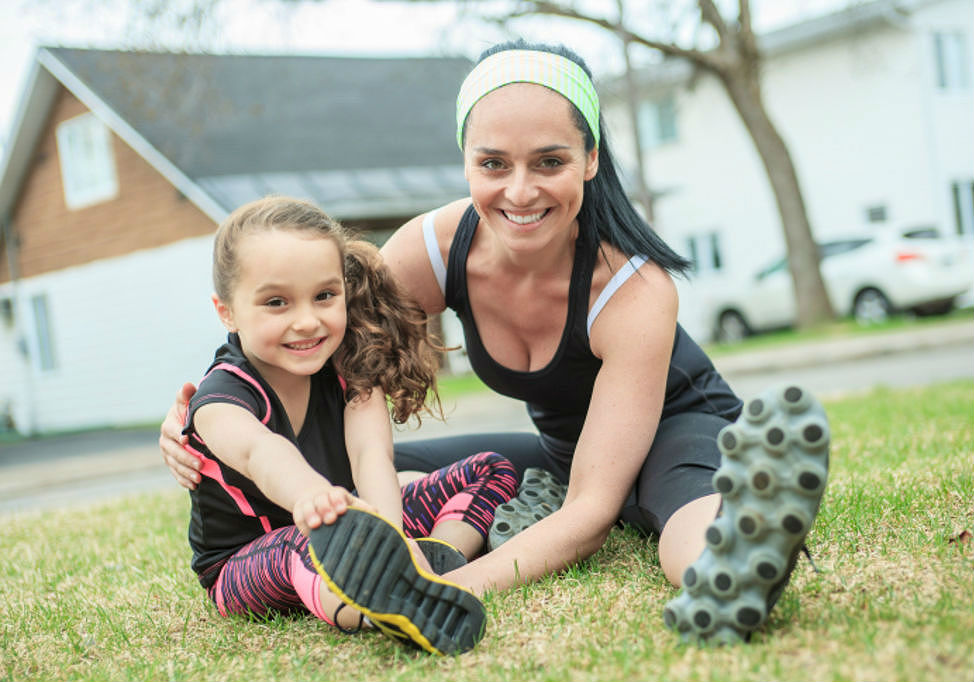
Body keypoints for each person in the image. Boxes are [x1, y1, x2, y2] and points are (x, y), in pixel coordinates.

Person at [160, 41, 830, 644]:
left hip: (676, 431)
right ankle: (351, 550)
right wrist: (208, 422)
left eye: (549, 162)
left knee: (676, 497)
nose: (519, 190)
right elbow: (310, 338)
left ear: (591, 159)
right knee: (359, 465)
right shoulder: (435, 249)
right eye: (492, 163)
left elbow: (592, 511)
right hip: (564, 451)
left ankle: (733, 559)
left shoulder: (632, 288)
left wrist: (444, 588)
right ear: (466, 162)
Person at [180, 196, 517, 655]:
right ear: (228, 312)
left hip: (354, 526)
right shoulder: (221, 397)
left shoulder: (350, 368)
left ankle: (431, 567)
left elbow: (370, 454)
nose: (306, 321)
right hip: (249, 561)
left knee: (488, 469)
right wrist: (310, 497)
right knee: (308, 540)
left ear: (344, 288)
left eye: (324, 296)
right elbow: (260, 452)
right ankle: (368, 606)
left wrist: (394, 537)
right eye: (276, 302)